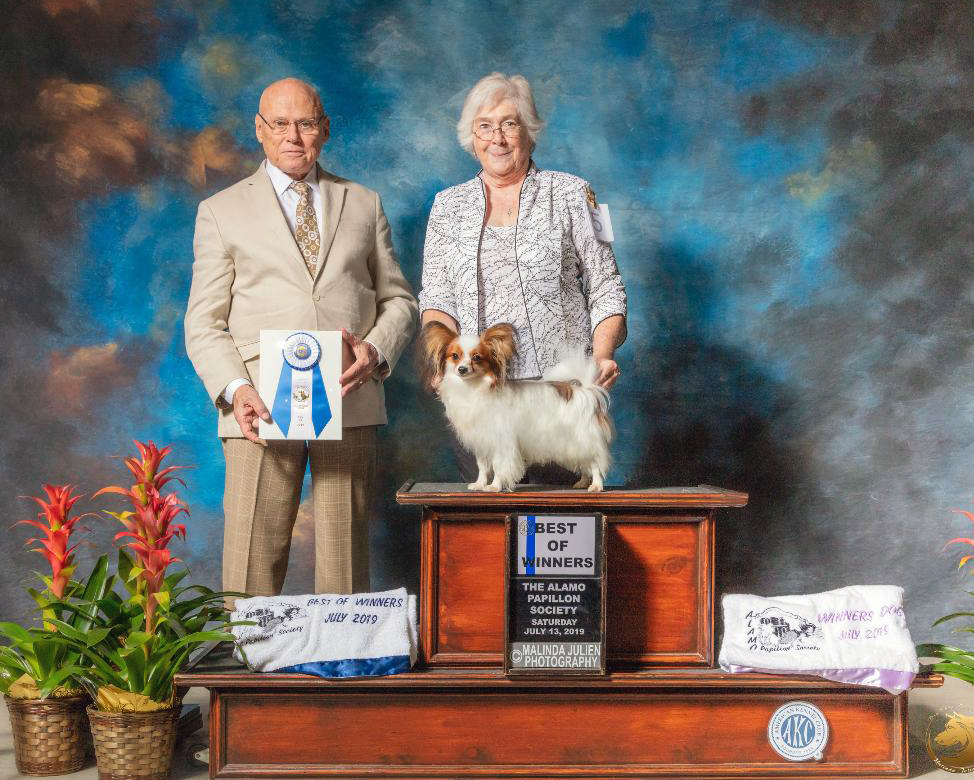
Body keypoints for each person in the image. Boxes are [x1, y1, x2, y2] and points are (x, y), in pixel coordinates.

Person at [185, 78, 417, 601]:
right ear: (259, 130)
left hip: (350, 395)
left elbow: (400, 301)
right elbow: (203, 323)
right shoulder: (220, 210)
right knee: (251, 561)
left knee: (345, 563)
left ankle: (344, 652)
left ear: (324, 129)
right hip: (259, 406)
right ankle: (248, 654)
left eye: (306, 123)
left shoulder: (364, 202)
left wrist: (376, 349)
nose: (293, 136)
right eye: (280, 124)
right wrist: (236, 391)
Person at [419, 72, 627, 483]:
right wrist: (442, 359)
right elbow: (436, 296)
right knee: (490, 516)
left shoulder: (577, 194)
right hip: (480, 399)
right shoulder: (446, 206)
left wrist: (602, 355)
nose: (497, 138)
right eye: (485, 126)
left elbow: (608, 285)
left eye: (509, 124)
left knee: (560, 518)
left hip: (558, 400)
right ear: (472, 137)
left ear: (530, 132)